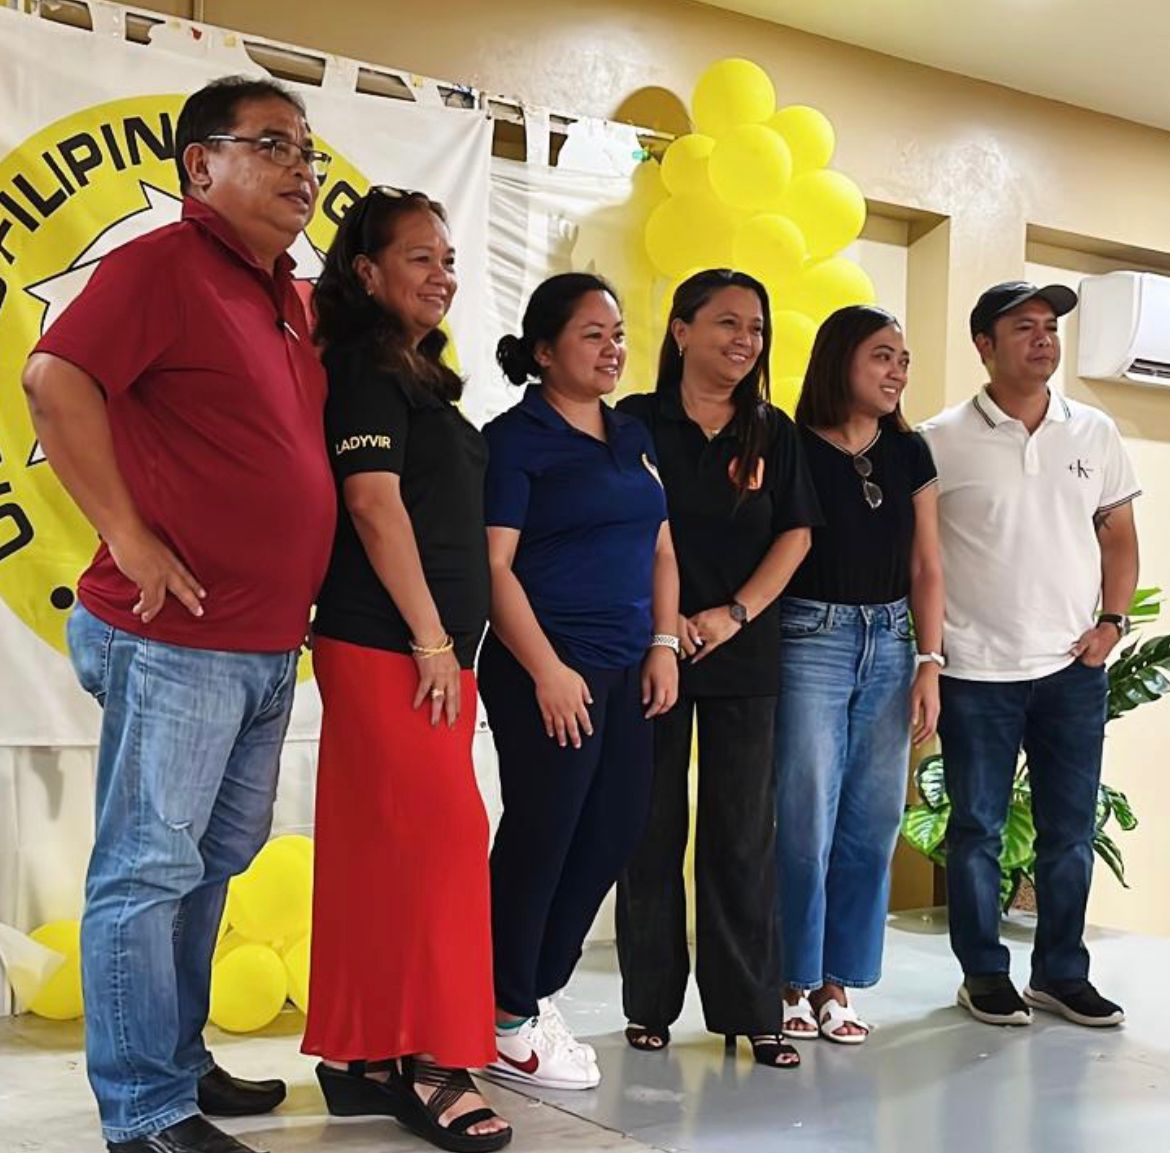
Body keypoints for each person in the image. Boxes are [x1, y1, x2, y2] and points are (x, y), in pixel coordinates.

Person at [21, 77, 336, 1153]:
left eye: (308, 150)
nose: (302, 167)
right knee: (147, 869)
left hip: (259, 642)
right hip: (176, 639)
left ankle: (175, 1059)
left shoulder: (288, 294)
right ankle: (143, 1112)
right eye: (273, 145)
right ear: (200, 166)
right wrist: (130, 534)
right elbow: (55, 379)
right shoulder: (159, 265)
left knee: (208, 862)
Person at [301, 186, 511, 1152]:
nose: (443, 274)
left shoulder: (415, 371)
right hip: (390, 645)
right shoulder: (364, 365)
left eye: (449, 257)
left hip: (415, 650)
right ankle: (433, 1057)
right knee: (442, 851)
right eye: (421, 257)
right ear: (367, 271)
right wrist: (431, 636)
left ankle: (361, 1056)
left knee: (383, 852)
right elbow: (373, 503)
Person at [614, 268, 820, 1069]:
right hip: (649, 654)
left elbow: (796, 534)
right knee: (650, 828)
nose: (745, 341)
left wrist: (731, 614)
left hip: (744, 654)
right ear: (681, 329)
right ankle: (648, 1003)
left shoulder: (775, 432)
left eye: (757, 329)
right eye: (728, 323)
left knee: (741, 835)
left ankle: (752, 1009)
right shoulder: (631, 422)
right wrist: (669, 628)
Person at [479, 272, 680, 1091]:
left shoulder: (633, 432)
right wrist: (548, 671)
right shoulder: (514, 436)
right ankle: (504, 1015)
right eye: (592, 333)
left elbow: (662, 547)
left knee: (614, 830)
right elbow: (495, 567)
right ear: (544, 349)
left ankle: (528, 993)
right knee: (543, 833)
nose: (612, 347)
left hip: (629, 667)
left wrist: (665, 641)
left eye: (618, 332)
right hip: (548, 667)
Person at [921, 281, 1139, 1028]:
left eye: (1051, 327)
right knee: (976, 827)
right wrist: (930, 652)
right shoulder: (938, 437)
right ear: (984, 344)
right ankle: (983, 971)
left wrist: (1110, 622)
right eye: (1025, 328)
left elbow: (1118, 535)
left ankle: (1059, 973)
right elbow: (917, 556)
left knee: (1069, 830)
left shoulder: (1094, 430)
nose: (1044, 339)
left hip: (1072, 669)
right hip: (976, 669)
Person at [774, 305, 944, 1045]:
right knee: (805, 814)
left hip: (894, 640)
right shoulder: (788, 444)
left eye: (902, 359)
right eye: (882, 355)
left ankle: (838, 982)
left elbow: (928, 565)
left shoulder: (910, 453)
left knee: (872, 822)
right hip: (810, 635)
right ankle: (789, 978)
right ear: (841, 359)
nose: (896, 371)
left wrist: (929, 662)